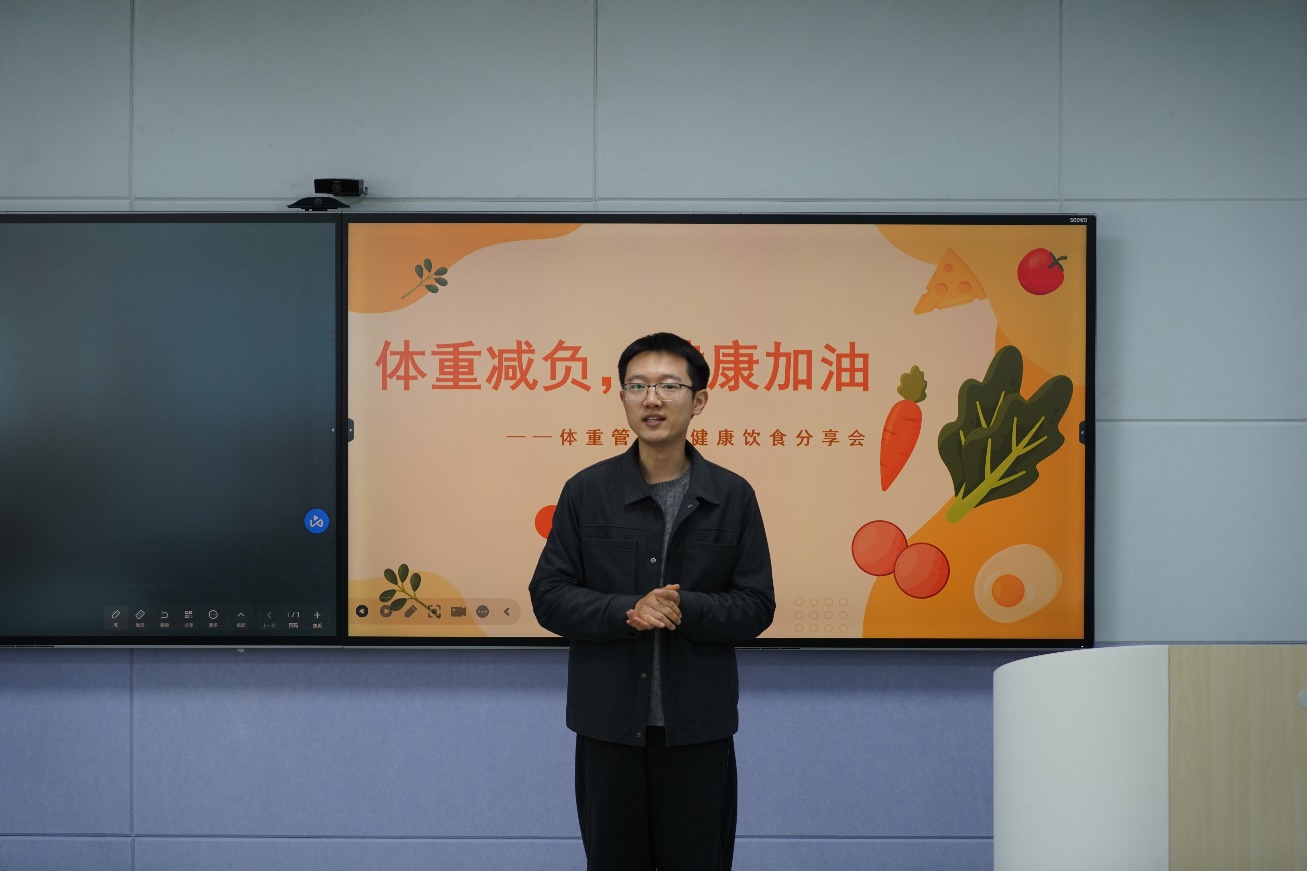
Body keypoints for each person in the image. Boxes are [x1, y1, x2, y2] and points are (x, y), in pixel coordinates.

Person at [529, 332, 775, 871]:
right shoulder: (586, 491)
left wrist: (687, 609)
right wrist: (627, 609)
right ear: (622, 397)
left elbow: (757, 604)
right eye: (637, 386)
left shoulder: (732, 496)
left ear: (699, 400)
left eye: (668, 386)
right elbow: (548, 595)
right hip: (609, 726)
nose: (652, 399)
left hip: (698, 728)